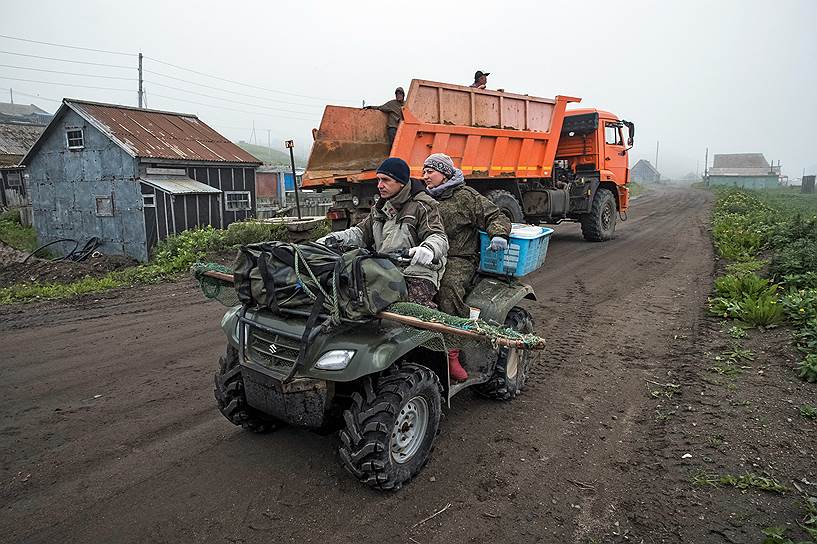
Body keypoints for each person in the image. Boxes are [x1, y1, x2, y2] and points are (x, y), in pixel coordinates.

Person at [422, 153, 511, 381]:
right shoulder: (423, 198)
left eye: (430, 171)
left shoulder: (466, 197)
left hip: (458, 258)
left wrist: (499, 234)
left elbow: (495, 215)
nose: (425, 177)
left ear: (444, 173)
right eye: (424, 172)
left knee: (448, 288)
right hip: (428, 254)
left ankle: (452, 352)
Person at [317, 157, 448, 307]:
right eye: (378, 180)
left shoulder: (423, 206)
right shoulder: (380, 208)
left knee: (408, 309)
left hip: (418, 270)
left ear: (401, 182)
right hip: (387, 268)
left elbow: (438, 236)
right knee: (351, 297)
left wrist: (428, 249)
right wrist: (333, 238)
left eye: (385, 180)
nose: (379, 185)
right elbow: (360, 233)